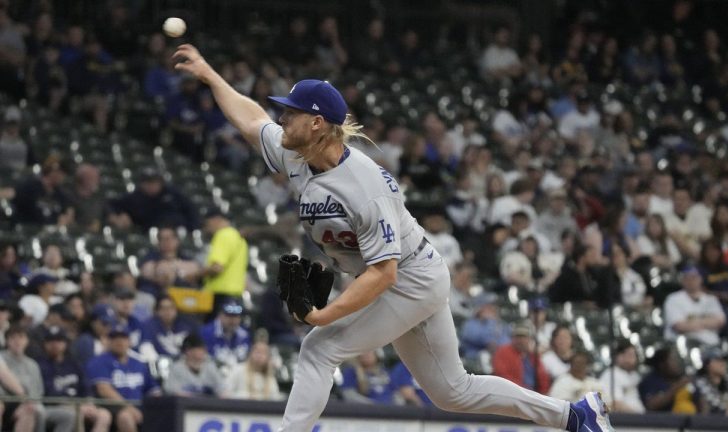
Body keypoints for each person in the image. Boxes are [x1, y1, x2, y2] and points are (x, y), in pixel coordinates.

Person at [174, 43, 613, 432]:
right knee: (452, 391)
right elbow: (251, 121)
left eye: (291, 112)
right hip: (405, 274)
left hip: (408, 277)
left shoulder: (365, 185)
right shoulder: (297, 152)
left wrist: (324, 317)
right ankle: (574, 416)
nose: (281, 118)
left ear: (317, 123)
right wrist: (211, 75)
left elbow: (384, 274)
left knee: (317, 350)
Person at [86, 324, 162, 432]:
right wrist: (129, 407)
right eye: (115, 338)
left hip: (140, 407)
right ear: (108, 341)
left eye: (123, 338)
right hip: (112, 408)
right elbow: (104, 390)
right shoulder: (99, 361)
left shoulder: (138, 363)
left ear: (129, 341)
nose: (119, 341)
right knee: (125, 417)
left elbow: (153, 390)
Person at [37, 326, 112, 432]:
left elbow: (86, 386)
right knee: (76, 413)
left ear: (65, 343)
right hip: (56, 405)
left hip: (80, 404)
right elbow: (49, 393)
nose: (55, 344)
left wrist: (88, 401)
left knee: (104, 415)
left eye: (58, 340)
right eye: (51, 341)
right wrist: (77, 404)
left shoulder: (73, 363)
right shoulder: (40, 365)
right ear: (45, 344)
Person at [194, 208, 248, 314]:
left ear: (216, 220)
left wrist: (196, 274)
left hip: (221, 296)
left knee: (216, 329)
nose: (207, 229)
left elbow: (217, 268)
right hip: (236, 297)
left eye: (207, 224)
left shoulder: (222, 235)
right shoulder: (239, 238)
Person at [663, 265, 725, 346]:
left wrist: (691, 323)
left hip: (710, 345)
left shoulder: (711, 299)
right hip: (683, 345)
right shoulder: (673, 299)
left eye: (694, 278)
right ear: (682, 280)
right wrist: (708, 322)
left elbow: (720, 321)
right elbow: (679, 326)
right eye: (687, 278)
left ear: (700, 279)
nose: (691, 281)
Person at [492, 321, 551, 394]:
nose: (521, 340)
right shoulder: (503, 352)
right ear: (512, 338)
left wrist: (543, 393)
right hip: (512, 393)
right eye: (518, 337)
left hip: (534, 395)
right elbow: (502, 376)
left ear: (529, 339)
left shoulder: (533, 355)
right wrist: (524, 391)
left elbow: (543, 377)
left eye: (524, 337)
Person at [139, 295, 198, 360]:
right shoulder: (149, 326)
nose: (168, 311)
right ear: (156, 311)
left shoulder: (185, 324)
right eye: (164, 308)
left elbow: (195, 347)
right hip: (161, 364)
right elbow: (146, 347)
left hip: (184, 364)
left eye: (171, 308)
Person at [638, 347, 694, 413]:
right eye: (673, 360)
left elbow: (700, 399)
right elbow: (651, 405)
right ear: (662, 364)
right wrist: (676, 387)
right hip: (663, 421)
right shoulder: (650, 381)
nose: (677, 363)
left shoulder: (682, 378)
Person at [199, 300, 251, 368]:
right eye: (228, 316)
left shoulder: (244, 335)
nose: (232, 320)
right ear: (220, 315)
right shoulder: (206, 333)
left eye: (236, 316)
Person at [598, 340, 644, 413]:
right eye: (629, 355)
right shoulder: (611, 374)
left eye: (633, 355)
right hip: (624, 421)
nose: (632, 359)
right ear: (618, 356)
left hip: (642, 419)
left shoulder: (634, 375)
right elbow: (615, 404)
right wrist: (640, 417)